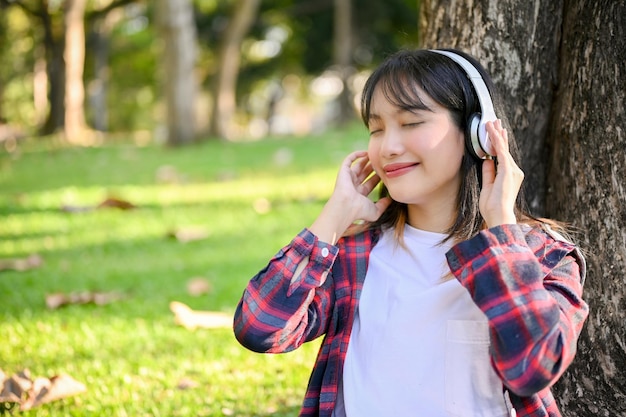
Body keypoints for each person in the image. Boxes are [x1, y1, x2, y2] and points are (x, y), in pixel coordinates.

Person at [233, 48, 589, 417]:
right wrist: (333, 219)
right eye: (376, 129)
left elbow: (534, 367)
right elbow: (260, 328)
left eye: (411, 123)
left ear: (476, 134)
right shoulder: (355, 256)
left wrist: (501, 228)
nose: (388, 147)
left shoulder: (543, 255)